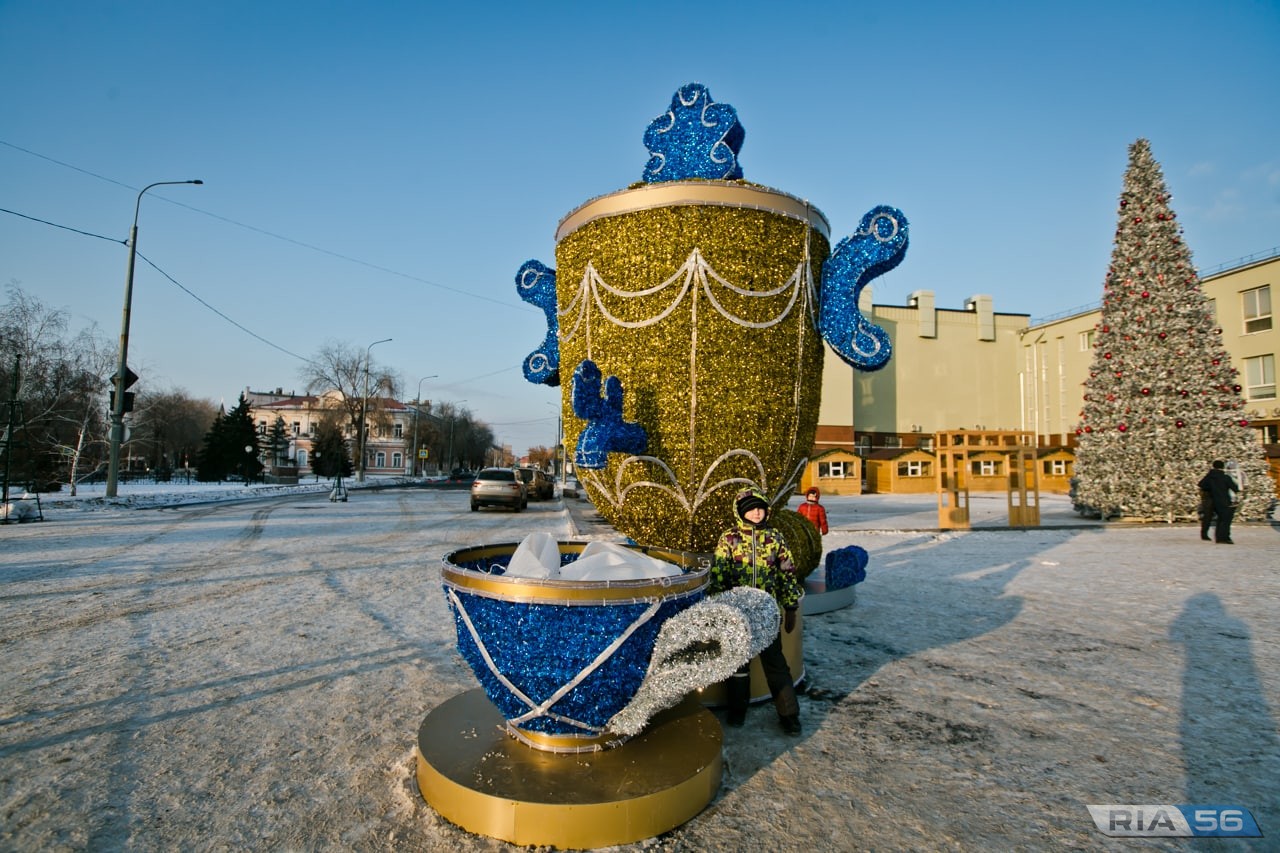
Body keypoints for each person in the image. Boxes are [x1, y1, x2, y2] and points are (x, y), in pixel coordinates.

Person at [711, 487, 803, 735]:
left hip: (767, 612)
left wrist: (791, 605)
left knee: (775, 664)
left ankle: (789, 715)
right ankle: (737, 710)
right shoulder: (729, 538)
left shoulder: (775, 538)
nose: (756, 513)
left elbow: (787, 573)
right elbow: (718, 575)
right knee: (738, 664)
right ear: (741, 512)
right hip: (738, 612)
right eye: (751, 509)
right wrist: (719, 608)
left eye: (760, 508)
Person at [1198, 460, 1238, 544]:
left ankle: (1204, 534)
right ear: (1222, 467)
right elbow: (1235, 488)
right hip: (1223, 500)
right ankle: (1222, 537)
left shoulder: (1209, 477)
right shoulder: (1225, 477)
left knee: (1207, 518)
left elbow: (1201, 484)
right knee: (1224, 519)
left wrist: (1209, 490)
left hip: (1210, 500)